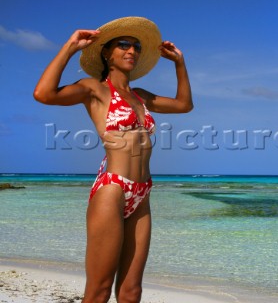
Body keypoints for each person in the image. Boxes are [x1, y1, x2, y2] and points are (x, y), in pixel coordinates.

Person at [33, 16, 193, 302]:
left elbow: (184, 105)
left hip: (142, 193)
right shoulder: (95, 89)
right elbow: (43, 94)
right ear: (107, 52)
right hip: (113, 189)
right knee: (99, 290)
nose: (131, 50)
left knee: (131, 292)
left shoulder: (141, 96)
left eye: (136, 47)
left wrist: (179, 63)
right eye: (123, 44)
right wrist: (70, 47)